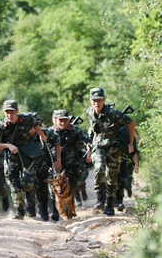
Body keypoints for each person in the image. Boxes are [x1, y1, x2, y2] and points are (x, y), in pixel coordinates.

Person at [0, 100, 48, 220]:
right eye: (7, 112)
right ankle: (20, 211)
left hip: (26, 153)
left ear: (17, 111)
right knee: (14, 187)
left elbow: (35, 125)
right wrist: (7, 146)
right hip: (11, 158)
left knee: (28, 181)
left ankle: (29, 194)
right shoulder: (1, 126)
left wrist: (42, 136)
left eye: (12, 112)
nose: (9, 115)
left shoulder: (27, 119)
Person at [85, 87, 135, 216]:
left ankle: (109, 204)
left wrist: (130, 143)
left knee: (112, 177)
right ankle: (100, 200)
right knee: (99, 168)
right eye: (94, 100)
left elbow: (131, 124)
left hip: (113, 148)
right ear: (90, 101)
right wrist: (89, 147)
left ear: (104, 100)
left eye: (99, 100)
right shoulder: (89, 112)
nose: (97, 103)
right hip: (99, 147)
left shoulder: (114, 114)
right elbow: (92, 130)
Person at [51, 110, 92, 209]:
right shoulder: (51, 131)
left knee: (74, 184)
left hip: (73, 162)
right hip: (57, 162)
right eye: (60, 120)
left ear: (68, 120)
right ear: (56, 120)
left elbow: (86, 140)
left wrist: (89, 151)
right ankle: (59, 209)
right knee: (57, 184)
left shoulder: (75, 130)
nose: (62, 123)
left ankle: (71, 203)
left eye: (65, 120)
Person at [29, 118, 61, 221]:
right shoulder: (22, 134)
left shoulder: (45, 132)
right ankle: (43, 209)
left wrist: (58, 160)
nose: (31, 129)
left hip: (47, 164)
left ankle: (56, 210)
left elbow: (57, 140)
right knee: (40, 189)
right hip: (33, 167)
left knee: (54, 186)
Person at [115, 129, 140, 211]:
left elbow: (135, 152)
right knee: (117, 183)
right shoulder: (111, 133)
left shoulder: (128, 134)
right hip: (114, 163)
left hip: (126, 162)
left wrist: (136, 165)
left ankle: (128, 188)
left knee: (126, 181)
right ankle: (119, 202)